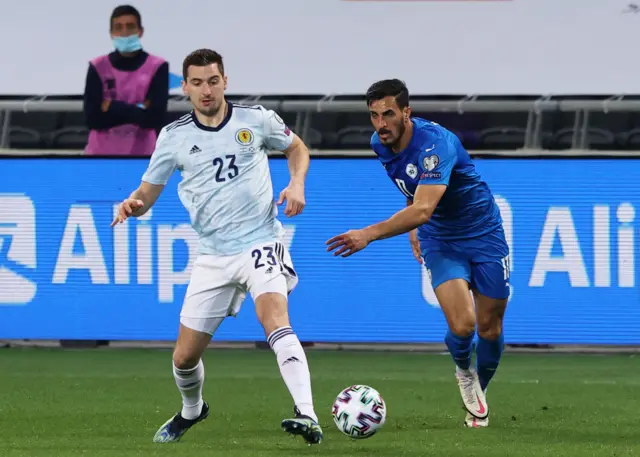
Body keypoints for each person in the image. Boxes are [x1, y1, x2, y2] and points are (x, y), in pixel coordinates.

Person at [111, 48, 322, 444]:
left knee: (275, 318)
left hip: (261, 240)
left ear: (225, 81)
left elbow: (296, 147)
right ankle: (193, 410)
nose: (206, 90)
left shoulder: (255, 120)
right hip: (213, 256)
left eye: (212, 81)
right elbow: (146, 195)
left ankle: (307, 414)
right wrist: (132, 204)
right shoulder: (174, 138)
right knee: (184, 359)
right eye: (196, 82)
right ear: (185, 87)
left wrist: (297, 183)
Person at [326, 79, 509, 428]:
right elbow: (413, 190)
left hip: (484, 233)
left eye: (389, 114)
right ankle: (464, 373)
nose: (381, 123)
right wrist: (412, 226)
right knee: (464, 324)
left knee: (489, 326)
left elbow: (423, 207)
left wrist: (368, 233)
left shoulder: (436, 144)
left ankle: (479, 389)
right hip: (441, 238)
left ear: (406, 113)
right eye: (374, 115)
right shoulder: (380, 145)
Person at [83, 5, 169, 156]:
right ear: (111, 33)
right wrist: (138, 109)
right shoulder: (97, 66)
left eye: (130, 27)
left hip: (143, 154)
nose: (124, 33)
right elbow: (93, 119)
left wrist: (112, 106)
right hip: (100, 155)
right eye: (119, 27)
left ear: (140, 31)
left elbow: (154, 119)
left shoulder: (157, 67)